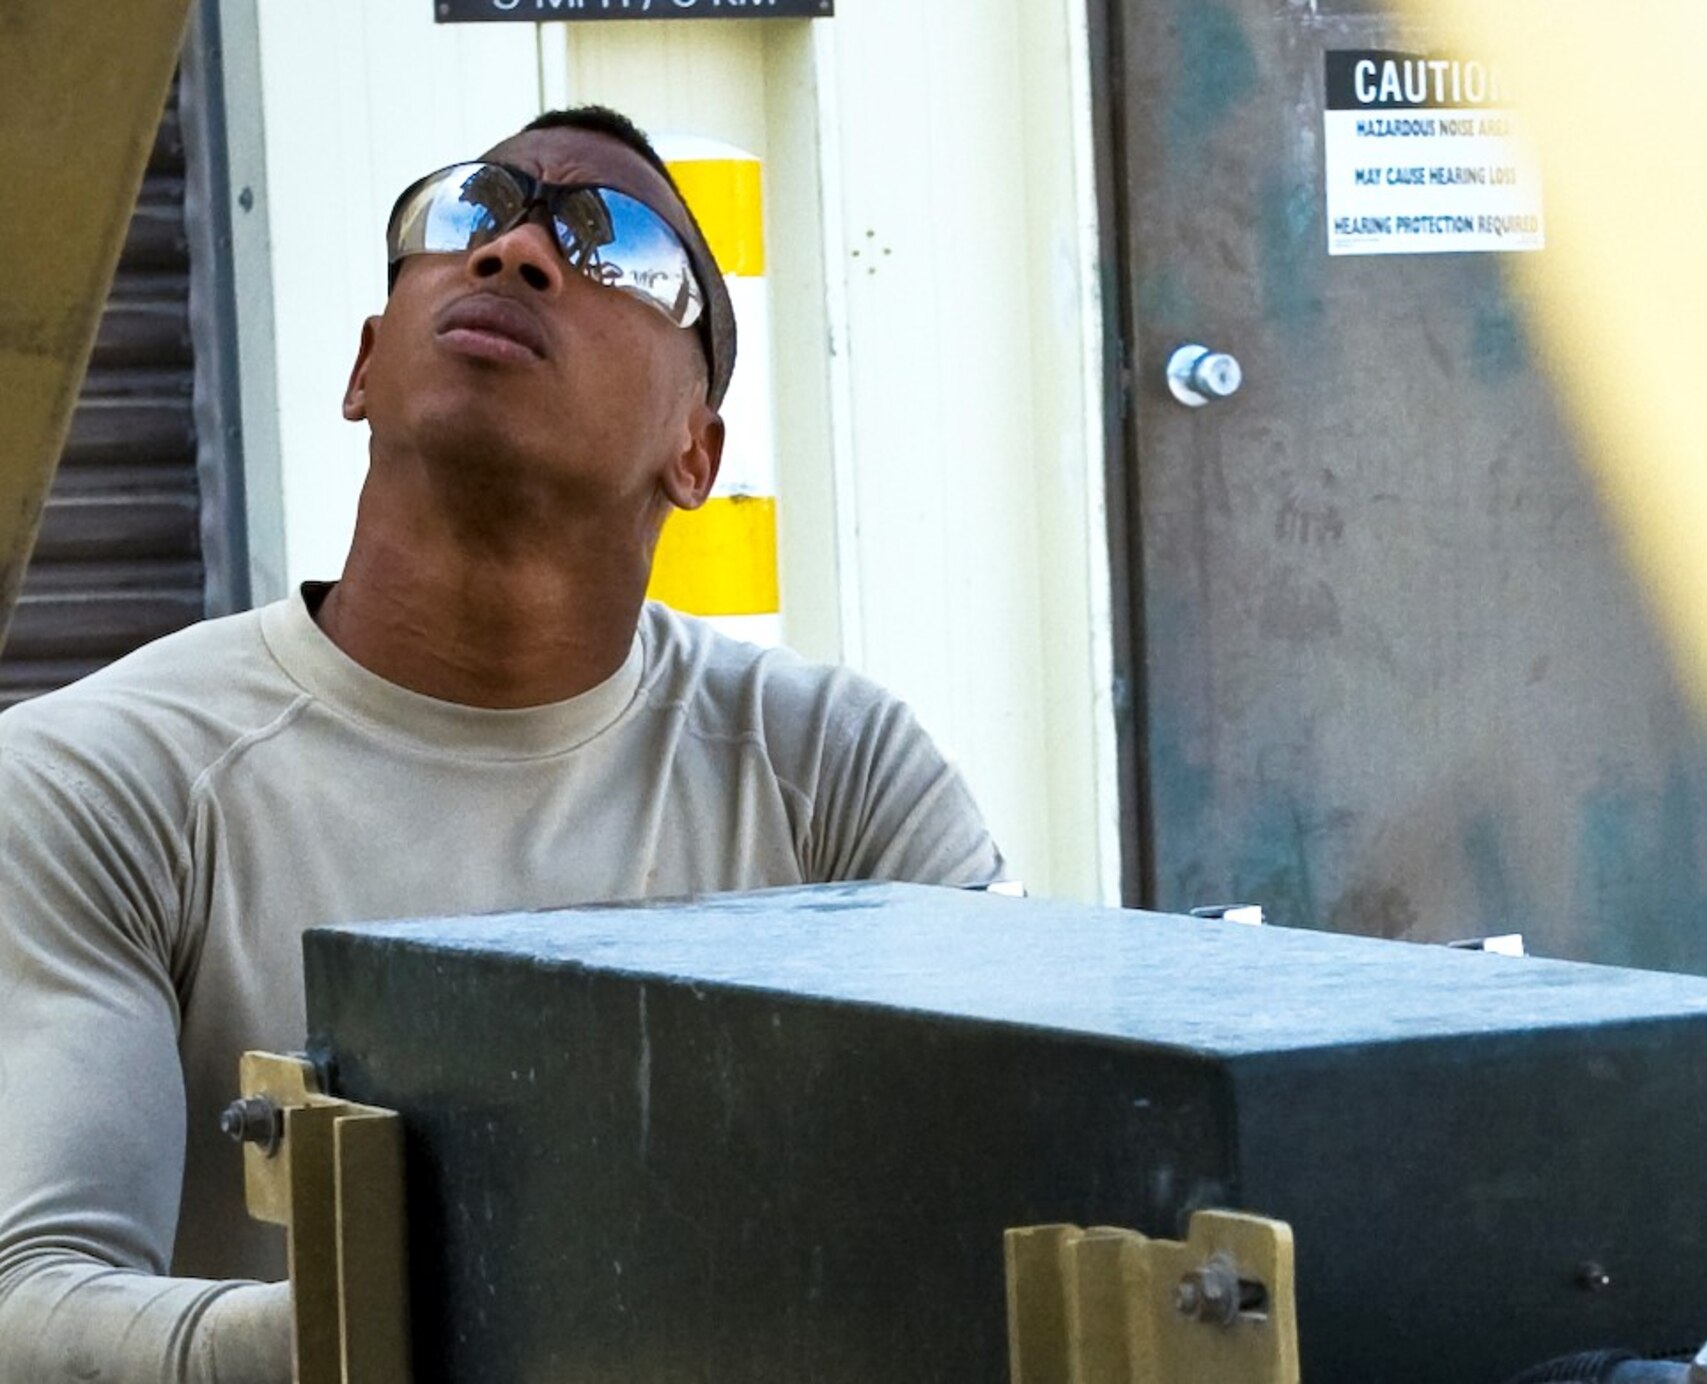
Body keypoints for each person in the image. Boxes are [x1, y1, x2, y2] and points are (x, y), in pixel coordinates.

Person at [0, 105, 1004, 1383]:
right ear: (365, 366)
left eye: (617, 247)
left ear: (694, 453)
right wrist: (396, 1321)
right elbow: (26, 1303)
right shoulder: (103, 778)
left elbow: (1012, 1192)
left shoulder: (830, 771)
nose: (517, 251)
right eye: (472, 209)